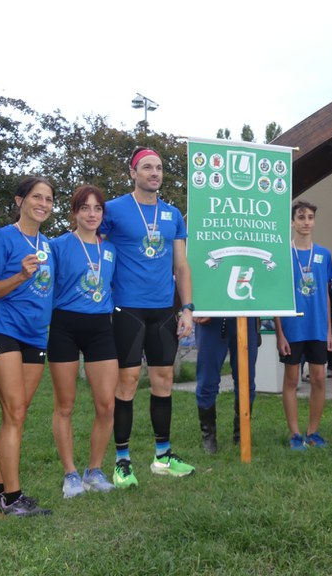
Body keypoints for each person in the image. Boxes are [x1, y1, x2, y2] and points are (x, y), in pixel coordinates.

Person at [100, 147, 195, 487]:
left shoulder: (172, 215)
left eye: (158, 168)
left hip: (164, 310)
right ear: (133, 172)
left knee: (164, 380)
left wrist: (187, 308)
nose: (154, 173)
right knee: (126, 384)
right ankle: (122, 460)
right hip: (127, 308)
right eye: (147, 167)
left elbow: (181, 266)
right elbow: (94, 250)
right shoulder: (112, 209)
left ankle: (163, 456)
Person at [0, 177, 55, 517]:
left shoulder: (48, 245)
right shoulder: (4, 238)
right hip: (3, 331)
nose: (43, 203)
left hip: (36, 336)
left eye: (49, 199)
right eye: (36, 197)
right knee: (14, 412)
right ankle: (11, 500)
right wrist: (21, 277)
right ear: (19, 200)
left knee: (18, 414)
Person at [48, 185, 119, 497]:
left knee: (106, 404)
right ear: (74, 212)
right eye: (85, 208)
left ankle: (94, 470)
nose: (92, 214)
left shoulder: (111, 249)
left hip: (101, 327)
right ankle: (71, 474)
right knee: (65, 405)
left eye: (97, 208)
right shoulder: (58, 246)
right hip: (64, 325)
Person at [275, 200, 332, 450]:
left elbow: (327, 295)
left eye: (310, 217)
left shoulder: (324, 254)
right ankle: (295, 434)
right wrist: (280, 334)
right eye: (301, 217)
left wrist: (330, 330)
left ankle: (313, 431)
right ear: (292, 222)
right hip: (292, 327)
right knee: (291, 379)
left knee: (319, 378)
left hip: (318, 327)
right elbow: (276, 296)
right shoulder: (282, 253)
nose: (306, 222)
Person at [194, 316, 258, 453]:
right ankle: (208, 435)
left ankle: (242, 432)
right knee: (207, 378)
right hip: (211, 318)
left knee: (246, 378)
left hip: (245, 314)